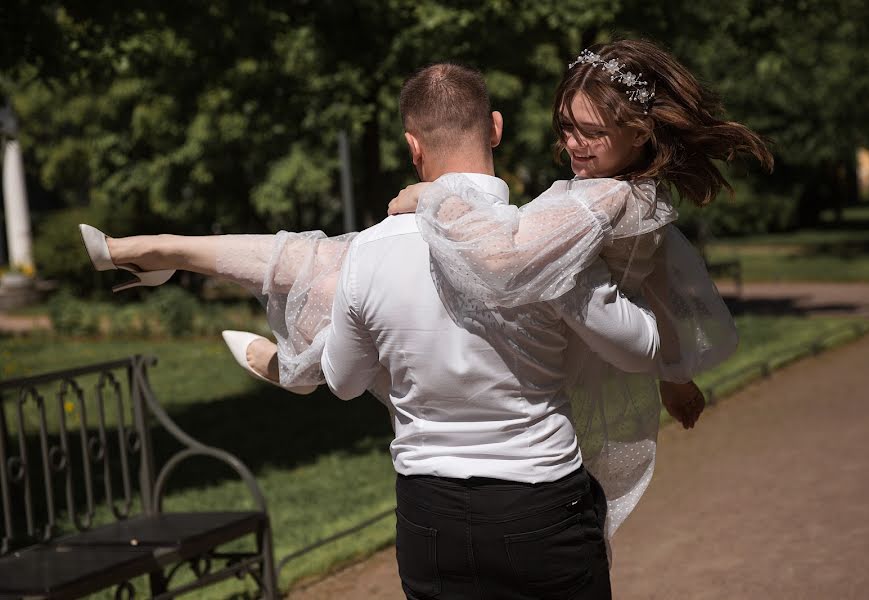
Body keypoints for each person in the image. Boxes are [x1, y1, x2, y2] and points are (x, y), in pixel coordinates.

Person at [80, 63, 666, 598]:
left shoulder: (373, 252)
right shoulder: (545, 241)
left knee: (311, 264)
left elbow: (342, 379)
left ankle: (164, 255)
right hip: (539, 505)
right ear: (494, 128)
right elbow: (641, 349)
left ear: (413, 148)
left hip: (429, 512)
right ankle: (172, 262)